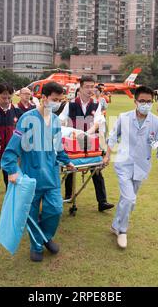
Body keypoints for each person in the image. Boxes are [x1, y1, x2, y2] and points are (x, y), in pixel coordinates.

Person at [1, 82, 75, 262]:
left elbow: (58, 147)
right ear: (43, 98)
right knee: (31, 214)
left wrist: (67, 161)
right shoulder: (27, 119)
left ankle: (45, 236)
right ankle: (36, 245)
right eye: (54, 99)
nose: (57, 103)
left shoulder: (56, 121)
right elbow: (11, 149)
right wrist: (12, 170)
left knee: (56, 209)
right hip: (30, 176)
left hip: (51, 176)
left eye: (60, 100)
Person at [104, 86, 158, 249]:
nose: (146, 104)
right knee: (129, 198)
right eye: (142, 101)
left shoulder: (156, 122)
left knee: (128, 200)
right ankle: (123, 231)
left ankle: (115, 225)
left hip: (142, 165)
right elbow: (113, 137)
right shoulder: (124, 117)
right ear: (135, 101)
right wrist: (107, 154)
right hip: (123, 163)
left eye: (149, 101)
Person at [59, 76, 114, 212]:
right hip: (73, 141)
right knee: (70, 168)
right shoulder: (70, 103)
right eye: (87, 87)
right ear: (81, 87)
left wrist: (87, 133)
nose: (90, 90)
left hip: (90, 141)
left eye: (92, 87)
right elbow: (60, 120)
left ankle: (102, 201)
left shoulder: (96, 104)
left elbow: (98, 121)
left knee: (96, 170)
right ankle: (68, 194)